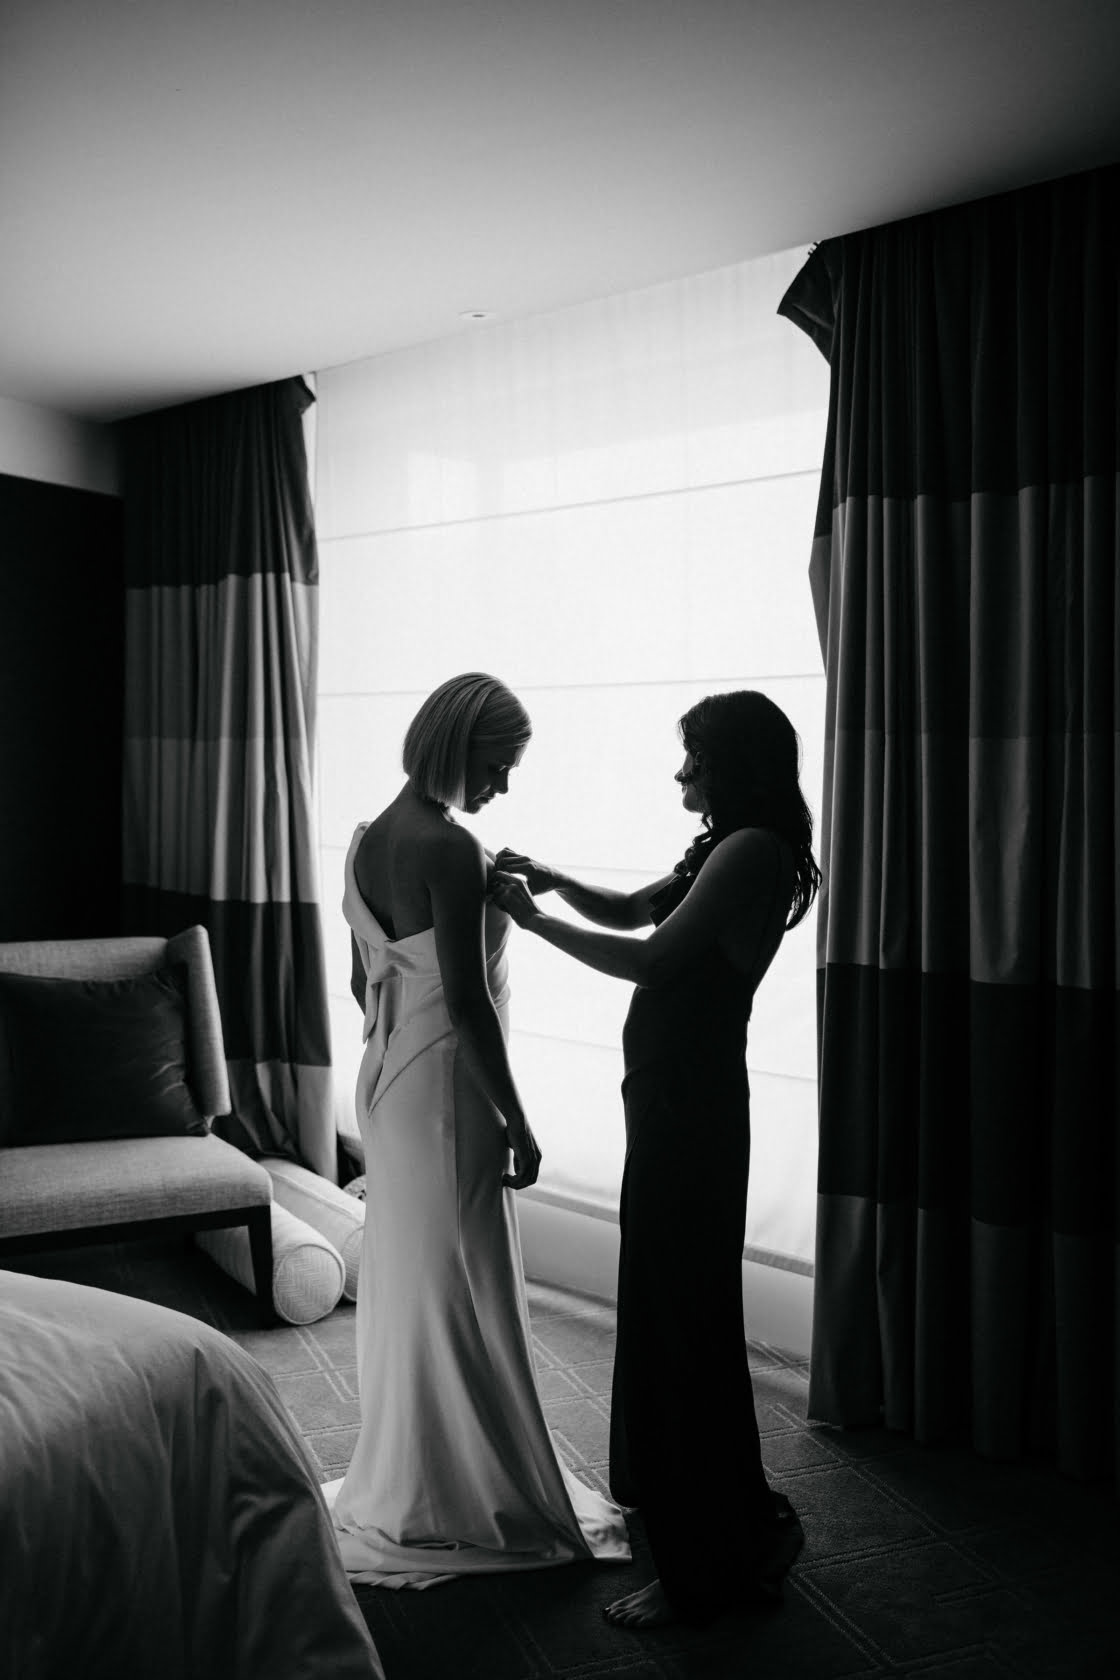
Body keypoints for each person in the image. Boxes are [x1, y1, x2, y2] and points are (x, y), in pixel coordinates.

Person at [488, 689, 822, 1629]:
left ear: (734, 766)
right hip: (673, 1099)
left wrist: (530, 919)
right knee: (671, 1305)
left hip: (692, 1107)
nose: (682, 773)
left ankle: (701, 1572)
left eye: (695, 760)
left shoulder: (751, 850)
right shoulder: (724, 845)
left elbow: (655, 960)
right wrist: (553, 878)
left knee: (681, 1322)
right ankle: (691, 1511)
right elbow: (637, 908)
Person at [323, 672, 630, 1586]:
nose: (502, 784)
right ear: (459, 750)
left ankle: (417, 1471)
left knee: (419, 1275)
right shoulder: (449, 847)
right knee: (465, 1273)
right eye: (497, 765)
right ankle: (469, 1487)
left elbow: (362, 981)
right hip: (447, 1092)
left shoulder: (368, 838)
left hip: (387, 1078)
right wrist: (519, 1121)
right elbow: (467, 1003)